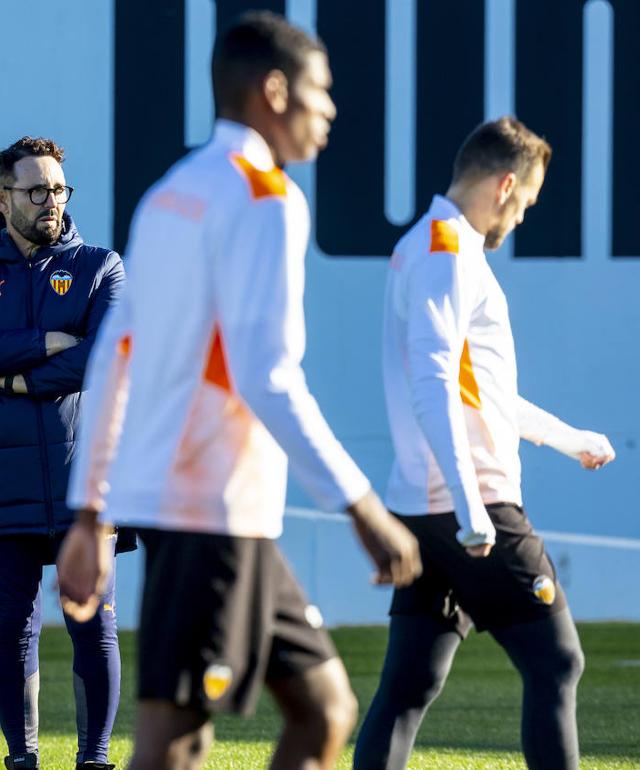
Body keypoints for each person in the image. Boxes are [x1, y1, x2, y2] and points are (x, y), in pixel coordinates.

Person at [56, 12, 422, 770]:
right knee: (174, 745)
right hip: (210, 512)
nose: (331, 112)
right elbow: (267, 372)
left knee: (325, 709)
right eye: (322, 93)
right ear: (275, 90)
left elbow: (113, 355)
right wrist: (361, 506)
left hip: (222, 514)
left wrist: (92, 511)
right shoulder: (265, 197)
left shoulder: (171, 192)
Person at [352, 117, 616, 770]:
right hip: (469, 505)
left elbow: (479, 392)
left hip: (425, 504)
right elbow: (434, 381)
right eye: (525, 202)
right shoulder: (448, 250)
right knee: (558, 662)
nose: (521, 217)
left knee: (411, 684)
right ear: (504, 185)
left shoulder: (431, 244)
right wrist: (472, 510)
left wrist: (567, 439)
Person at [0, 136, 130, 770]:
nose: (52, 202)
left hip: (84, 483)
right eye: (37, 191)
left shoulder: (103, 265)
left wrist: (15, 375)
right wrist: (47, 340)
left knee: (93, 627)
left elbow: (106, 357)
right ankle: (23, 759)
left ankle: (94, 758)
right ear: (2, 196)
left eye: (60, 189)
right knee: (13, 634)